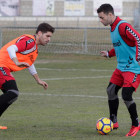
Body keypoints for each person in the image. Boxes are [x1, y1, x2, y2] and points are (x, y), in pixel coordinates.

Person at [0, 22, 55, 129]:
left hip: (3, 68)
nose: (49, 39)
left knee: (10, 96)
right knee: (13, 93)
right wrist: (16, 62)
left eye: (50, 37)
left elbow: (29, 64)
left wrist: (38, 80)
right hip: (1, 66)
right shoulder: (30, 41)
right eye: (47, 36)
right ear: (39, 33)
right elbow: (11, 48)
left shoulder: (34, 49)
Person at [97, 4, 140, 137]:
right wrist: (109, 53)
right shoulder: (112, 28)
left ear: (110, 15)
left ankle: (136, 124)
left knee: (126, 96)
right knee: (111, 91)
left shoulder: (122, 25)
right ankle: (113, 121)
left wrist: (138, 57)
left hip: (133, 68)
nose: (100, 20)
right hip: (121, 68)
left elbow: (138, 38)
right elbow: (121, 46)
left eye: (102, 17)